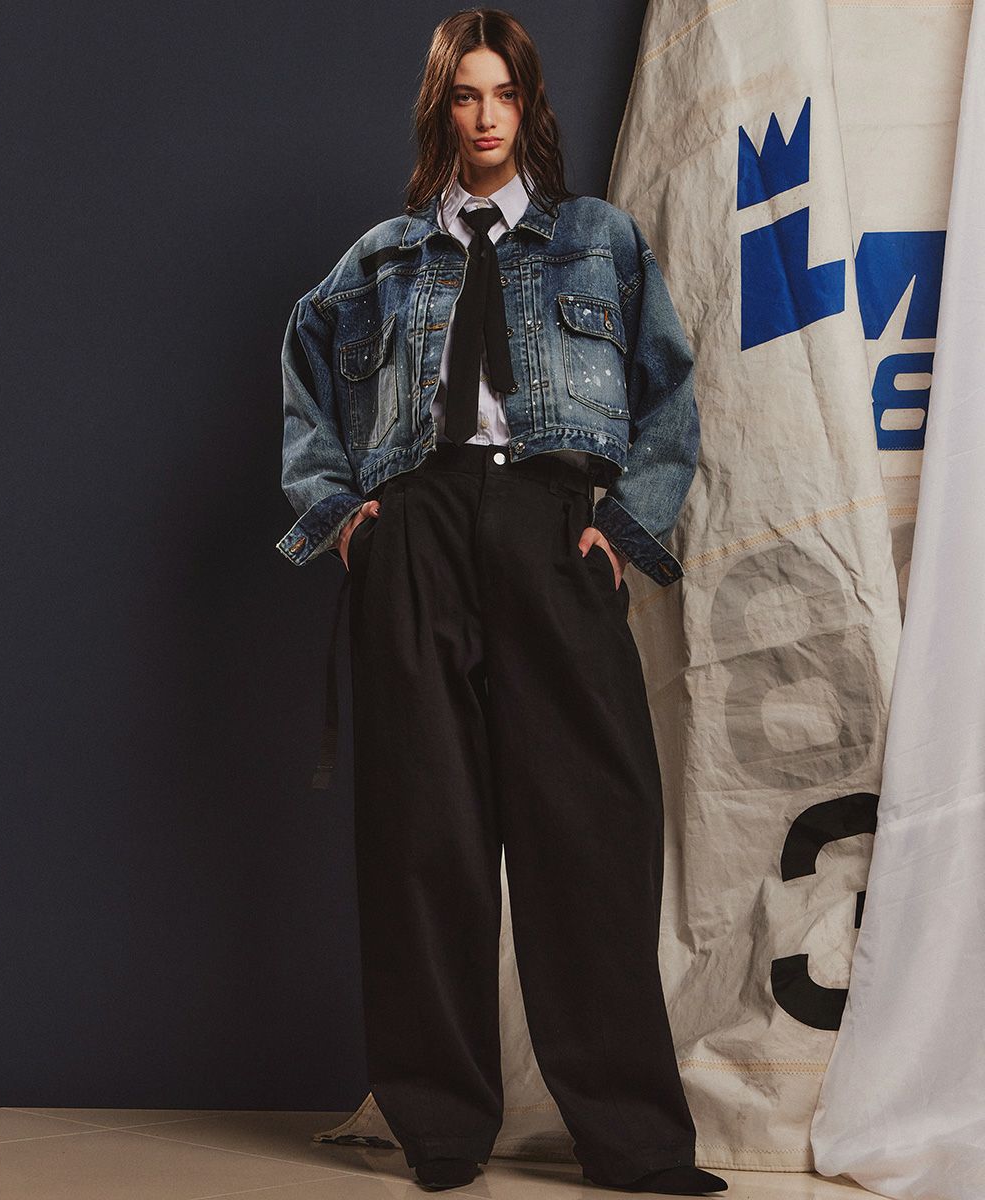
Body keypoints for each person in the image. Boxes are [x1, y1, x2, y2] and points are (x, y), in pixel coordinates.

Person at [276, 9, 726, 1195]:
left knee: (591, 831)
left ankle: (630, 1140)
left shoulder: (597, 240)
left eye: (504, 94)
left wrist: (621, 529)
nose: (485, 117)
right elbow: (306, 380)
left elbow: (669, 396)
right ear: (440, 107)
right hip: (416, 531)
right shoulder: (380, 258)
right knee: (425, 836)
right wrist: (342, 515)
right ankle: (440, 1128)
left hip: (548, 527)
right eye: (464, 95)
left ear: (530, 105)